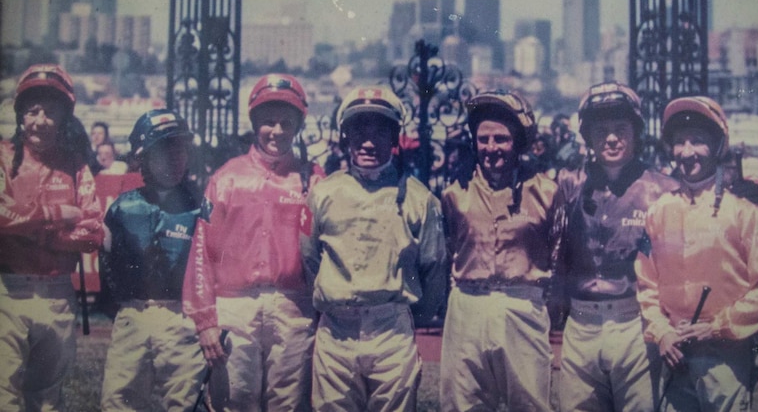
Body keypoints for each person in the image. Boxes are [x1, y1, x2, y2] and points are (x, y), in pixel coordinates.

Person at [183, 74, 324, 411]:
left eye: (286, 123)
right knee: (234, 401)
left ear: (298, 126)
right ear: (255, 123)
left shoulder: (313, 180)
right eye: (268, 122)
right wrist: (205, 321)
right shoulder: (226, 177)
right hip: (236, 307)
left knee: (288, 405)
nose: (277, 131)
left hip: (293, 308)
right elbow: (203, 251)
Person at [302, 86, 447, 412]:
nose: (368, 142)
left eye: (380, 130)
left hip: (390, 331)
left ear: (395, 137)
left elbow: (434, 267)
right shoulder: (322, 194)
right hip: (337, 331)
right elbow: (309, 257)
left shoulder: (419, 198)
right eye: (359, 129)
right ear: (345, 136)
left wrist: (410, 317)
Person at [634, 95, 758, 412]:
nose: (687, 152)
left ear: (718, 145)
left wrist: (717, 326)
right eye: (680, 142)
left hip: (725, 357)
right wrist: (662, 332)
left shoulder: (746, 215)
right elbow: (646, 284)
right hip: (674, 355)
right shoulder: (658, 212)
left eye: (697, 141)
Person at [553, 82, 678, 412]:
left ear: (636, 132)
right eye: (601, 129)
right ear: (588, 136)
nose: (610, 138)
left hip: (634, 326)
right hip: (580, 325)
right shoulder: (567, 185)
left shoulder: (663, 191)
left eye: (620, 129)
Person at [438, 90, 558, 412]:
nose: (492, 149)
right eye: (484, 139)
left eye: (502, 139)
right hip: (468, 305)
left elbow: (558, 253)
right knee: (463, 403)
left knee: (530, 403)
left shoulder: (546, 193)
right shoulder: (454, 194)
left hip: (522, 306)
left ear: (518, 141)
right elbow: (449, 247)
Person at [0, 63, 104, 410]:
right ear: (20, 116)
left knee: (47, 399)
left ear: (64, 117)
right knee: (4, 394)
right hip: (8, 292)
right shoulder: (2, 157)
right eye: (32, 111)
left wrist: (35, 235)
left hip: (59, 292)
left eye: (50, 111)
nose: (40, 121)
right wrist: (56, 216)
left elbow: (92, 231)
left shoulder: (76, 165)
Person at [100, 109, 204, 411]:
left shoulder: (201, 207)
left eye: (179, 148)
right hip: (134, 312)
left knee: (184, 399)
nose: (173, 158)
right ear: (143, 157)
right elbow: (108, 260)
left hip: (182, 316)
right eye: (163, 150)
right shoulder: (124, 207)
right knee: (119, 399)